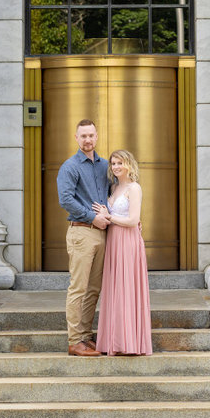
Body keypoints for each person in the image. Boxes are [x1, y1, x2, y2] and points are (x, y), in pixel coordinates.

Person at [55, 118, 110, 357]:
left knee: (94, 288)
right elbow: (66, 199)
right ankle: (75, 340)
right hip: (81, 233)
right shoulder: (70, 166)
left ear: (96, 137)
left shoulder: (105, 166)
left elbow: (114, 196)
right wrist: (91, 217)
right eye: (83, 136)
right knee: (78, 287)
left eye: (91, 135)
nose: (88, 139)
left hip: (102, 234)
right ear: (76, 138)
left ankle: (86, 337)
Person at [91, 150, 153, 356]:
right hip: (113, 241)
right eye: (113, 163)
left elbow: (133, 221)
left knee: (127, 287)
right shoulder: (113, 187)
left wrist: (109, 217)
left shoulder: (134, 188)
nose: (116, 167)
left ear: (129, 164)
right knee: (115, 288)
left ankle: (130, 342)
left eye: (120, 163)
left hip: (128, 241)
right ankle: (115, 341)